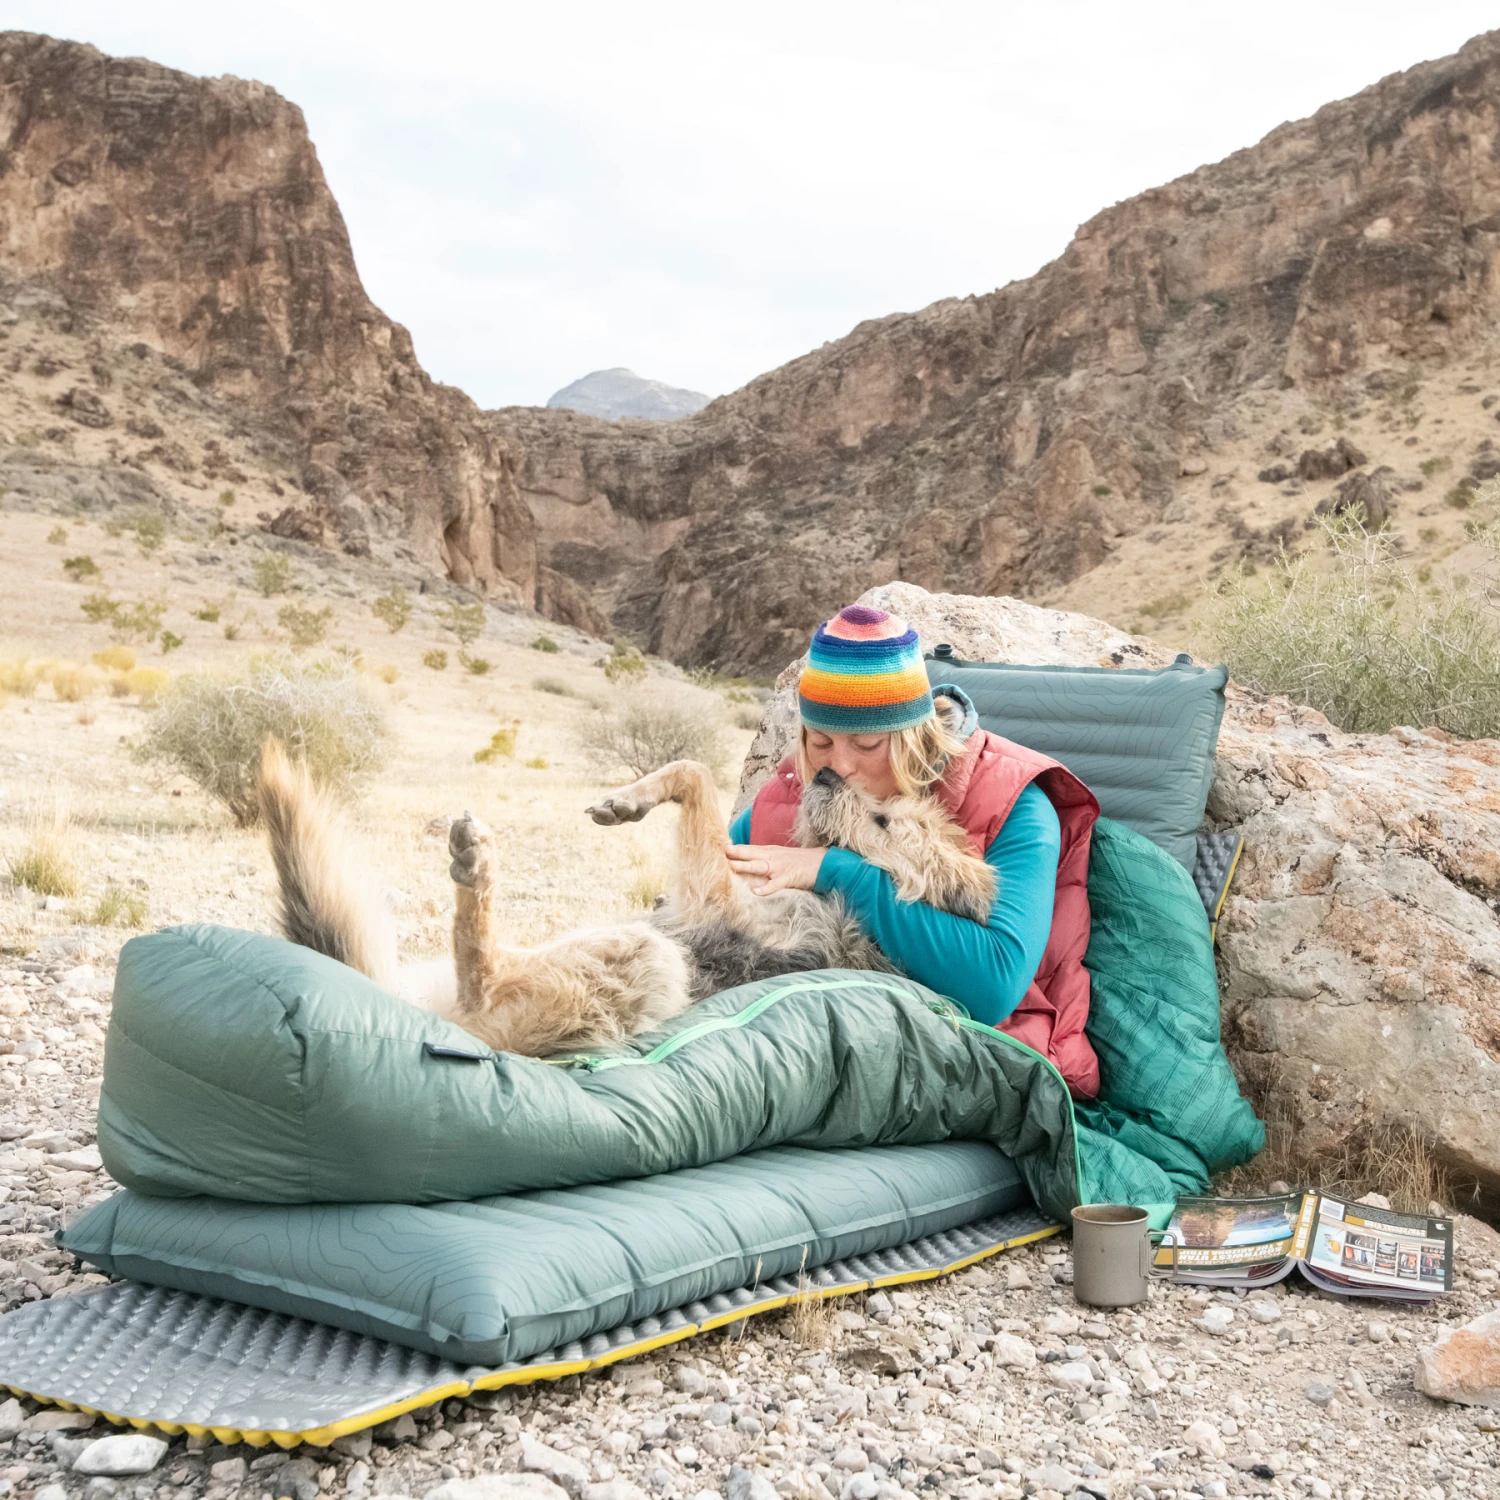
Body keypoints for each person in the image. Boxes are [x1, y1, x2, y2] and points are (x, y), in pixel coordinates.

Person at [726, 604, 1101, 1098]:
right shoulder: (797, 789)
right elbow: (715, 888)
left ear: (913, 735)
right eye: (819, 741)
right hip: (789, 1033)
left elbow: (994, 986)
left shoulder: (1013, 805)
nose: (838, 766)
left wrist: (833, 871)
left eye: (866, 744)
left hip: (982, 1058)